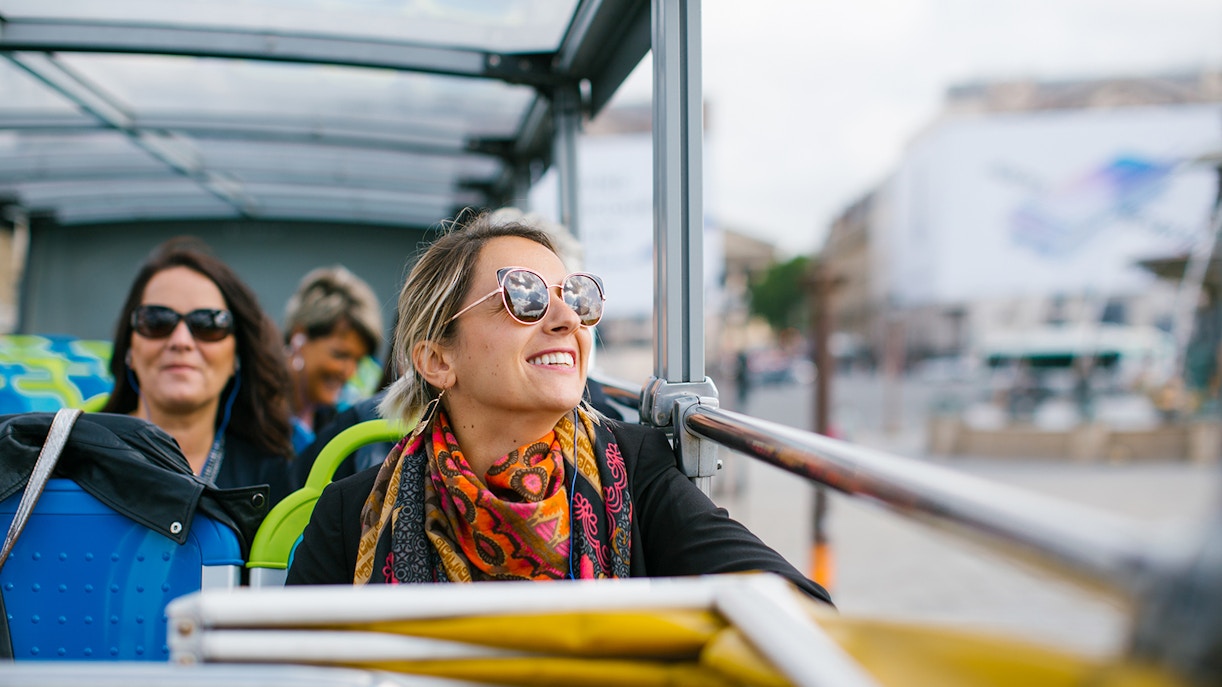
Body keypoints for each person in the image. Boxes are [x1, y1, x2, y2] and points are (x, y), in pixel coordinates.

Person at [287, 212, 831, 604]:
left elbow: (791, 606)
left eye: (576, 298)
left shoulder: (636, 469)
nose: (567, 320)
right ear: (435, 359)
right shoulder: (346, 516)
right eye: (523, 296)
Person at [103, 236, 295, 506]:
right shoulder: (80, 456)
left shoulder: (269, 476)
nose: (181, 341)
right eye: (157, 321)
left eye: (208, 324)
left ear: (236, 357)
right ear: (129, 350)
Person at [283, 266, 383, 454]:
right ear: (299, 337)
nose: (349, 372)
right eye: (340, 355)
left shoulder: (334, 418)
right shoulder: (253, 408)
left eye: (358, 361)